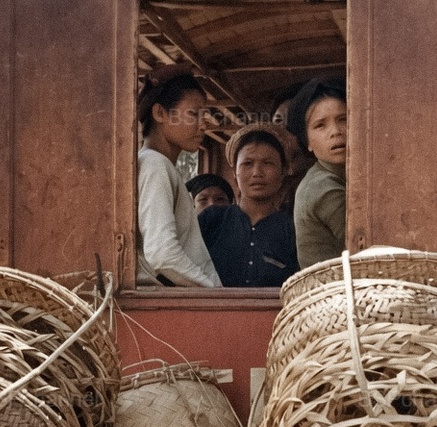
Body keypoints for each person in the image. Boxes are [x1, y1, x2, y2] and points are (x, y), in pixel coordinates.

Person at [136, 65, 220, 287]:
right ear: (160, 113)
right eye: (194, 114)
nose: (204, 124)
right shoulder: (155, 164)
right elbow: (162, 253)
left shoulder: (156, 163)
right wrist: (212, 293)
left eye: (205, 115)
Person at [198, 124, 300, 287]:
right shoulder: (212, 220)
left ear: (283, 172)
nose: (257, 172)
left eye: (267, 163)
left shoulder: (293, 228)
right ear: (234, 174)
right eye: (247, 163)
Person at [287, 76, 347, 268]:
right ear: (308, 142)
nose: (336, 131)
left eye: (343, 119)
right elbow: (367, 246)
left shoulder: (335, 176)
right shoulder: (322, 187)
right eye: (320, 125)